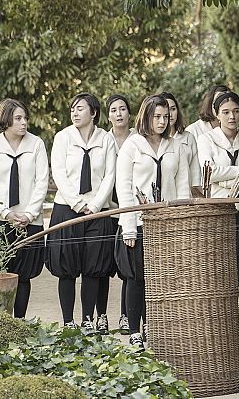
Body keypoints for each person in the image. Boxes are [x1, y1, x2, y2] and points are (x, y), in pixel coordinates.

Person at [115, 94, 192, 347]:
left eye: (166, 117)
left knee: (162, 278)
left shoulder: (176, 146)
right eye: (156, 117)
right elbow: (124, 188)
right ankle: (135, 330)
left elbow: (182, 188)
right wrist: (128, 228)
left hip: (167, 224)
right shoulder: (132, 145)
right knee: (137, 278)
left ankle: (155, 327)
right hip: (137, 222)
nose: (162, 121)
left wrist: (182, 223)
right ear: (146, 117)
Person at [47, 93, 116, 332]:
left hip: (97, 212)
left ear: (94, 113)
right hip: (67, 209)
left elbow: (110, 175)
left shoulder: (105, 140)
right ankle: (68, 321)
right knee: (66, 268)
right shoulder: (63, 137)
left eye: (80, 109)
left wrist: (95, 206)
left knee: (93, 267)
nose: (74, 113)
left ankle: (88, 319)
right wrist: (77, 204)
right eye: (72, 109)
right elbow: (59, 173)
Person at [0, 98, 49, 319]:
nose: (24, 123)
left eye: (25, 118)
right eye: (18, 118)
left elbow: (42, 181)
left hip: (29, 222)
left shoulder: (36, 144)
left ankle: (19, 321)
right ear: (6, 119)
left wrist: (28, 214)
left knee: (23, 275)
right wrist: (6, 213)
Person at [197, 91, 239, 286]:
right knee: (217, 268)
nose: (231, 116)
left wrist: (225, 181)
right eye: (225, 112)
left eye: (236, 111)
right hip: (217, 211)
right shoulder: (206, 140)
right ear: (216, 114)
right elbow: (209, 172)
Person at [106, 93, 135, 335]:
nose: (119, 113)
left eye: (122, 109)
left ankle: (127, 316)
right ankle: (100, 316)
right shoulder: (103, 140)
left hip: (131, 207)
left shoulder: (138, 139)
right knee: (103, 267)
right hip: (108, 206)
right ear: (108, 115)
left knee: (129, 268)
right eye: (114, 110)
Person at [162, 91, 201, 189]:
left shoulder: (188, 138)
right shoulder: (155, 140)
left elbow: (195, 173)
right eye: (166, 110)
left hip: (186, 195)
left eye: (173, 109)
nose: (170, 114)